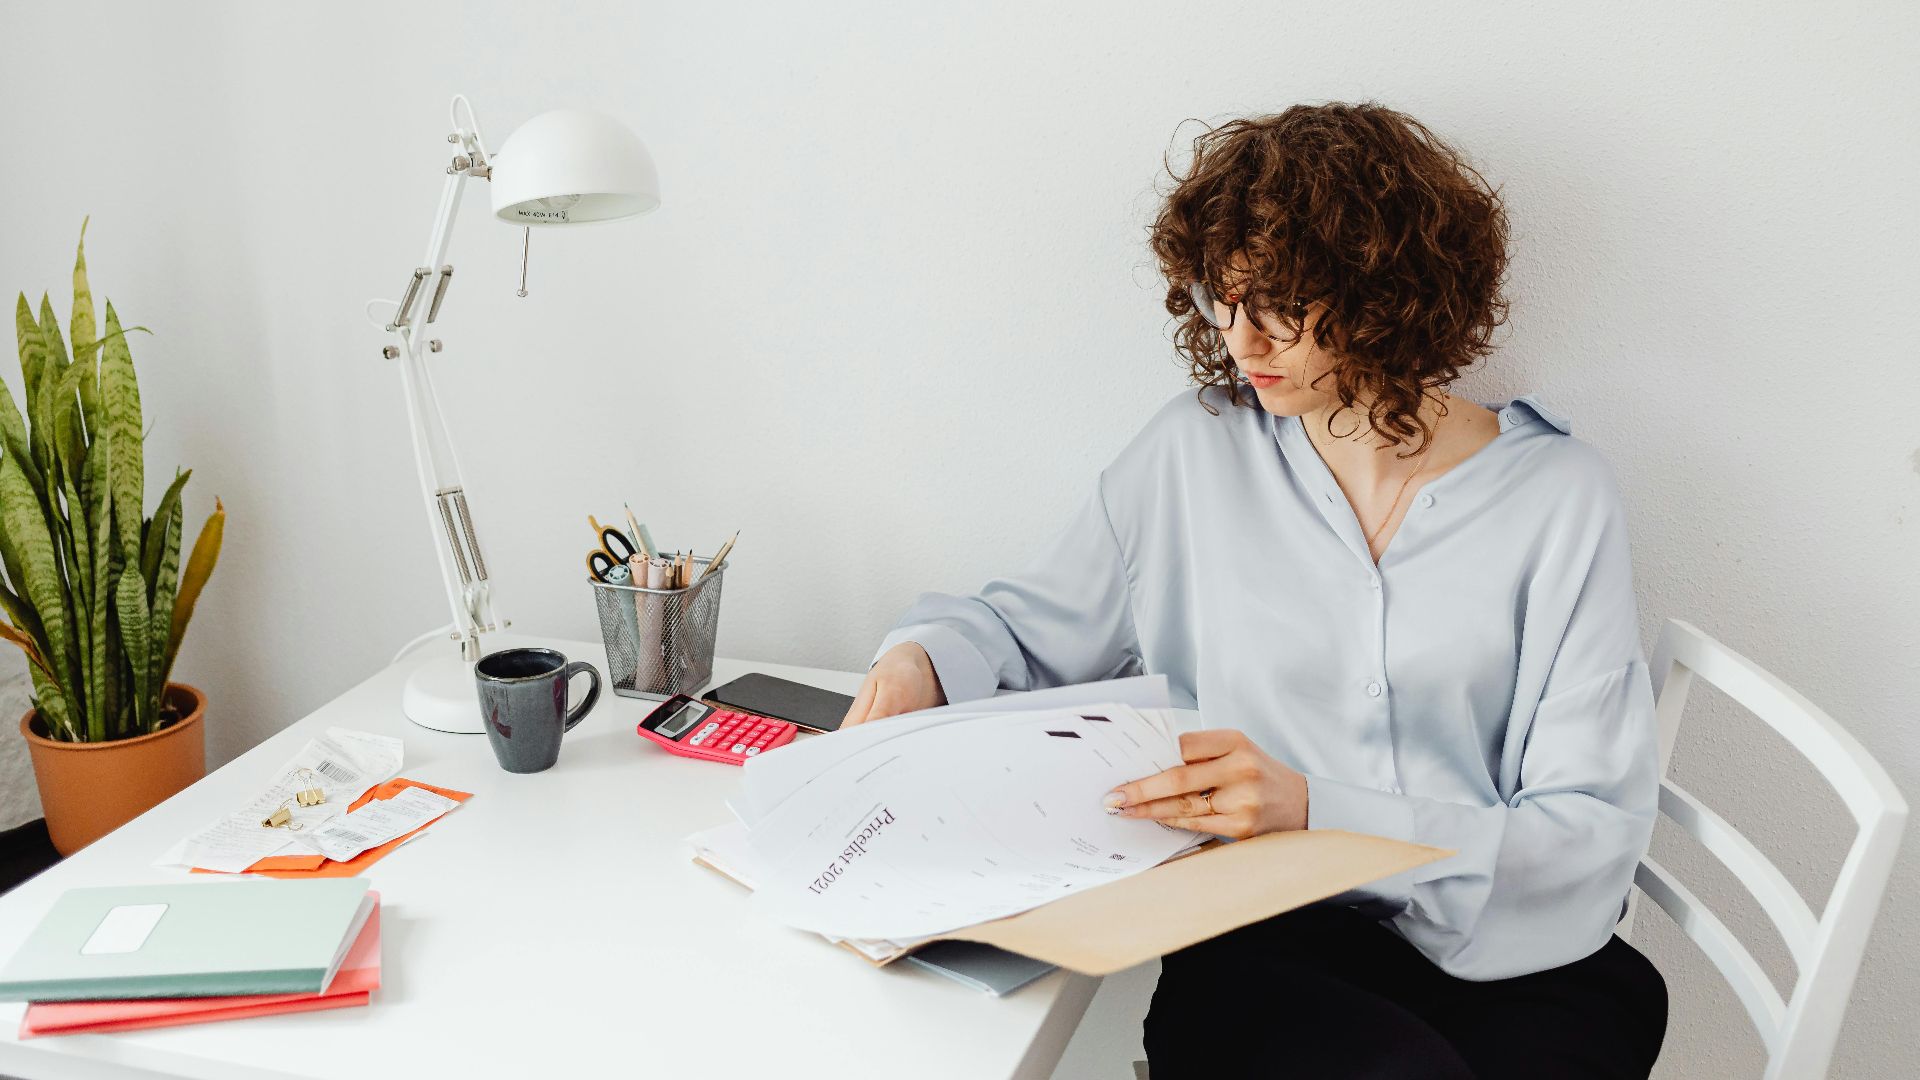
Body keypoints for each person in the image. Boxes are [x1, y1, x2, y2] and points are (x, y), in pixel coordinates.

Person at [840, 102, 1667, 1078]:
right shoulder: (1194, 454)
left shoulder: (1558, 498)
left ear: (1387, 287)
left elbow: (1587, 834)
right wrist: (918, 661)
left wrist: (1314, 805)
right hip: (1264, 940)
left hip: (1519, 948)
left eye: (1279, 304)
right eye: (1220, 300)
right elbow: (1024, 628)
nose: (1242, 339)